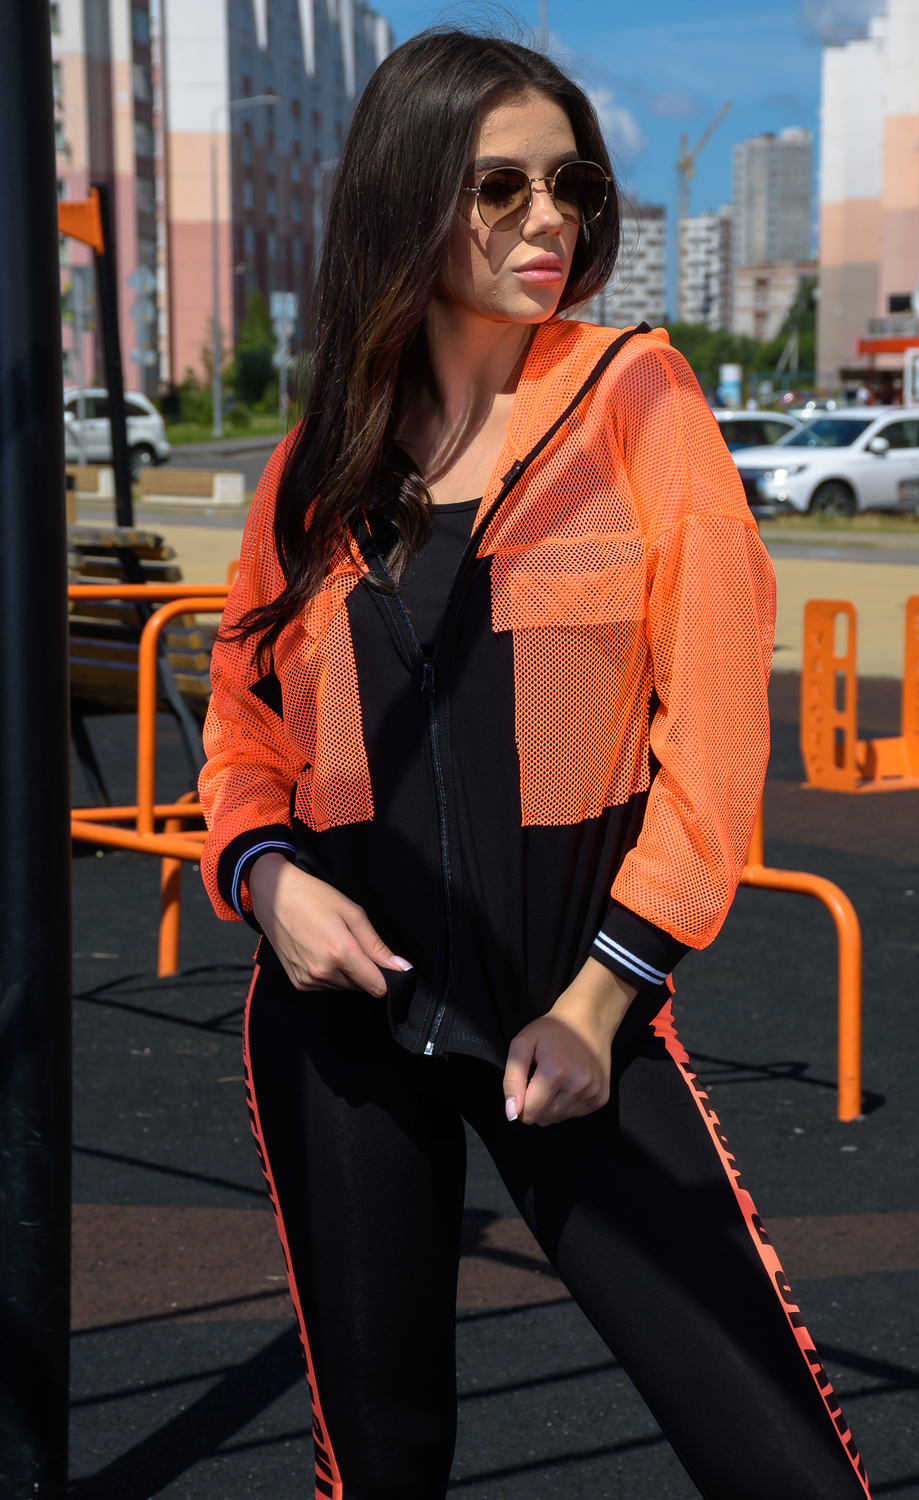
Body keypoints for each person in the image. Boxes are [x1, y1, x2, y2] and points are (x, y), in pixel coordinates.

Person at [199, 29, 871, 1500]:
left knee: (775, 1453)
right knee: (382, 1461)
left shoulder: (636, 398)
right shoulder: (318, 461)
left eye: (571, 183)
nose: (547, 218)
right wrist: (267, 883)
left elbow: (714, 725)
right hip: (340, 1027)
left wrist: (603, 996)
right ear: (408, 195)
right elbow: (244, 725)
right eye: (499, 186)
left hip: (573, 1018)